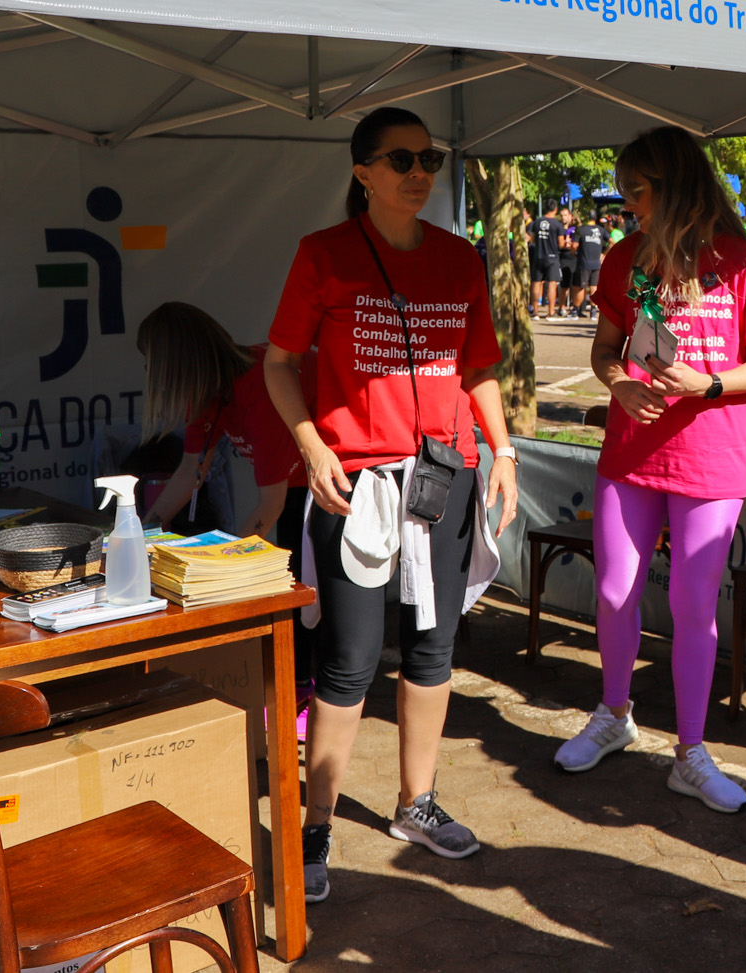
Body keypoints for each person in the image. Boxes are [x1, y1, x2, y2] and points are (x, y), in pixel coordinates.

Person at [264, 105, 520, 904]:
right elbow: (279, 364)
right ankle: (315, 827)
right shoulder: (324, 255)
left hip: (445, 476)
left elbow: (477, 369)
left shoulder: (460, 260)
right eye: (400, 159)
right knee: (348, 659)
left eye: (429, 157)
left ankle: (416, 803)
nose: (419, 172)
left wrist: (504, 451)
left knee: (434, 649)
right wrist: (311, 446)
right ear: (362, 171)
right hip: (354, 482)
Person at [552, 126, 746, 810]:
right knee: (615, 590)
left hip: (709, 458)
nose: (627, 203)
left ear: (675, 182)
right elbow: (605, 350)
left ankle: (690, 751)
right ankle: (615, 713)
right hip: (630, 453)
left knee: (691, 604)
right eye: (624, 189)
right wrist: (617, 384)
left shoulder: (744, 262)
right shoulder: (625, 257)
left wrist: (708, 384)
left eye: (637, 189)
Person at [138, 302, 318, 738]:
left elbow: (268, 507)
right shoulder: (209, 394)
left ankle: (306, 692)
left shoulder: (258, 385)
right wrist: (138, 532)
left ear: (180, 364)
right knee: (296, 584)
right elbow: (188, 472)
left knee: (305, 593)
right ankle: (298, 687)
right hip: (295, 485)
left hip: (324, 483)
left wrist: (219, 567)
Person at [531, 205, 563, 318]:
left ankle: (535, 311)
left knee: (536, 283)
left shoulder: (537, 222)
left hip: (538, 256)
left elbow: (532, 239)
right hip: (552, 257)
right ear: (555, 209)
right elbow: (561, 243)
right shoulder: (557, 224)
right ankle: (551, 312)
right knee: (552, 283)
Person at [577, 212, 607, 318]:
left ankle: (576, 309)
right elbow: (612, 241)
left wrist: (575, 252)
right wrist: (604, 253)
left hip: (584, 262)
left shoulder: (581, 229)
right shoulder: (601, 230)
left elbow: (575, 246)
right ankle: (593, 311)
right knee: (594, 287)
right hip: (596, 263)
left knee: (582, 287)